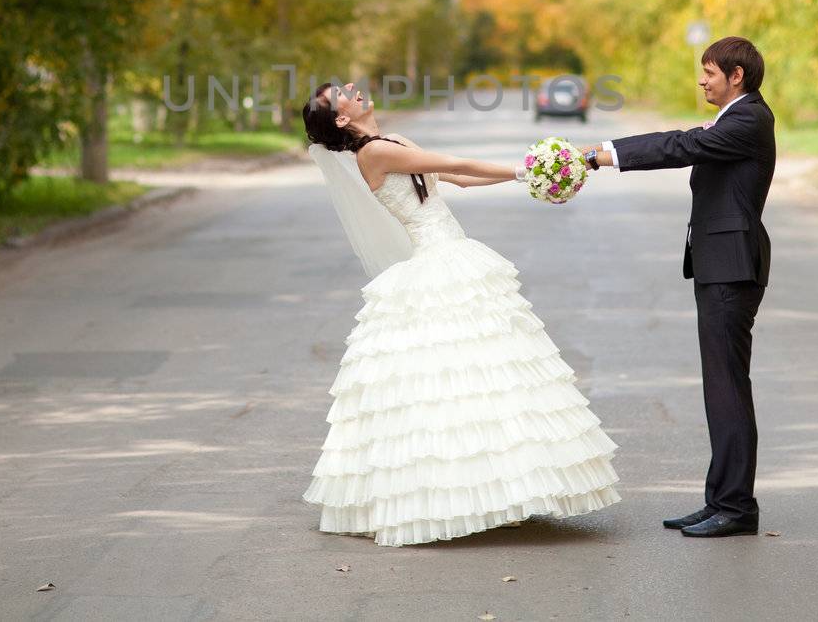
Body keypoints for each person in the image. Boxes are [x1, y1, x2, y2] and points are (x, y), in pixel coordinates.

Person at [301, 81, 620, 546]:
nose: (353, 88)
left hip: (456, 252)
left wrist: (532, 178)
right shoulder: (373, 153)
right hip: (438, 259)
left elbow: (461, 180)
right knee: (454, 382)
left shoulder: (393, 143)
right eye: (341, 94)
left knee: (495, 376)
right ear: (343, 120)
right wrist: (528, 167)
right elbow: (456, 164)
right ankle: (460, 494)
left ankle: (511, 488)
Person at [578, 36, 776, 538]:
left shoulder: (749, 118)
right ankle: (722, 500)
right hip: (719, 264)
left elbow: (680, 145)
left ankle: (735, 507)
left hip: (732, 268)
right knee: (720, 386)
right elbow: (688, 141)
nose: (701, 80)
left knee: (728, 387)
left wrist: (606, 154)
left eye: (709, 72)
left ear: (737, 75)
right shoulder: (737, 117)